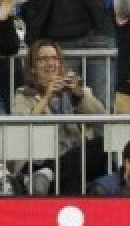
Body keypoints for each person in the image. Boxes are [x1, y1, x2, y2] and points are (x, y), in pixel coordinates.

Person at [11, 39, 108, 195]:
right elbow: (22, 129)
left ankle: (48, 173)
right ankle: (43, 173)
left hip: (71, 158)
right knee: (74, 168)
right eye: (43, 59)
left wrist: (78, 95)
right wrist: (47, 96)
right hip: (39, 160)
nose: (50, 63)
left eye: (54, 58)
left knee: (102, 146)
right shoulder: (23, 95)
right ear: (33, 68)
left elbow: (100, 116)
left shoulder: (76, 90)